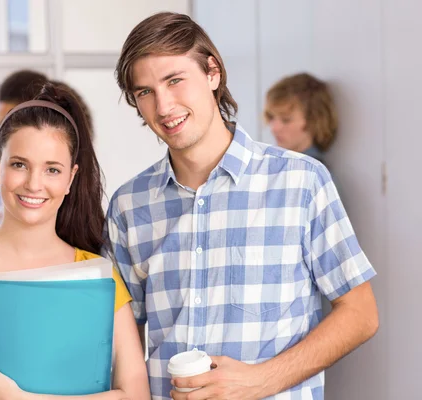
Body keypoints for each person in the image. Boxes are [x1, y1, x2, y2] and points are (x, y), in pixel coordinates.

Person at [105, 12, 378, 400]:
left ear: (212, 72)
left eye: (175, 80)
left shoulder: (301, 181)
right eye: (144, 91)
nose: (163, 106)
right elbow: (120, 342)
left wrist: (262, 380)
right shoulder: (128, 206)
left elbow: (361, 314)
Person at [0, 83, 150, 400]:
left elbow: (136, 396)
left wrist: (20, 398)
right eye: (19, 164)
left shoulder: (99, 274)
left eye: (52, 170)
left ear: (70, 178)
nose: (34, 184)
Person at [0, 70, 96, 235]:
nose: (5, 131)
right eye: (1, 124)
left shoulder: (57, 203)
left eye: (52, 170)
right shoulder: (11, 185)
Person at [264, 73, 338, 164]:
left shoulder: (312, 174)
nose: (274, 128)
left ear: (313, 121)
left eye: (286, 120)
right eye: (271, 117)